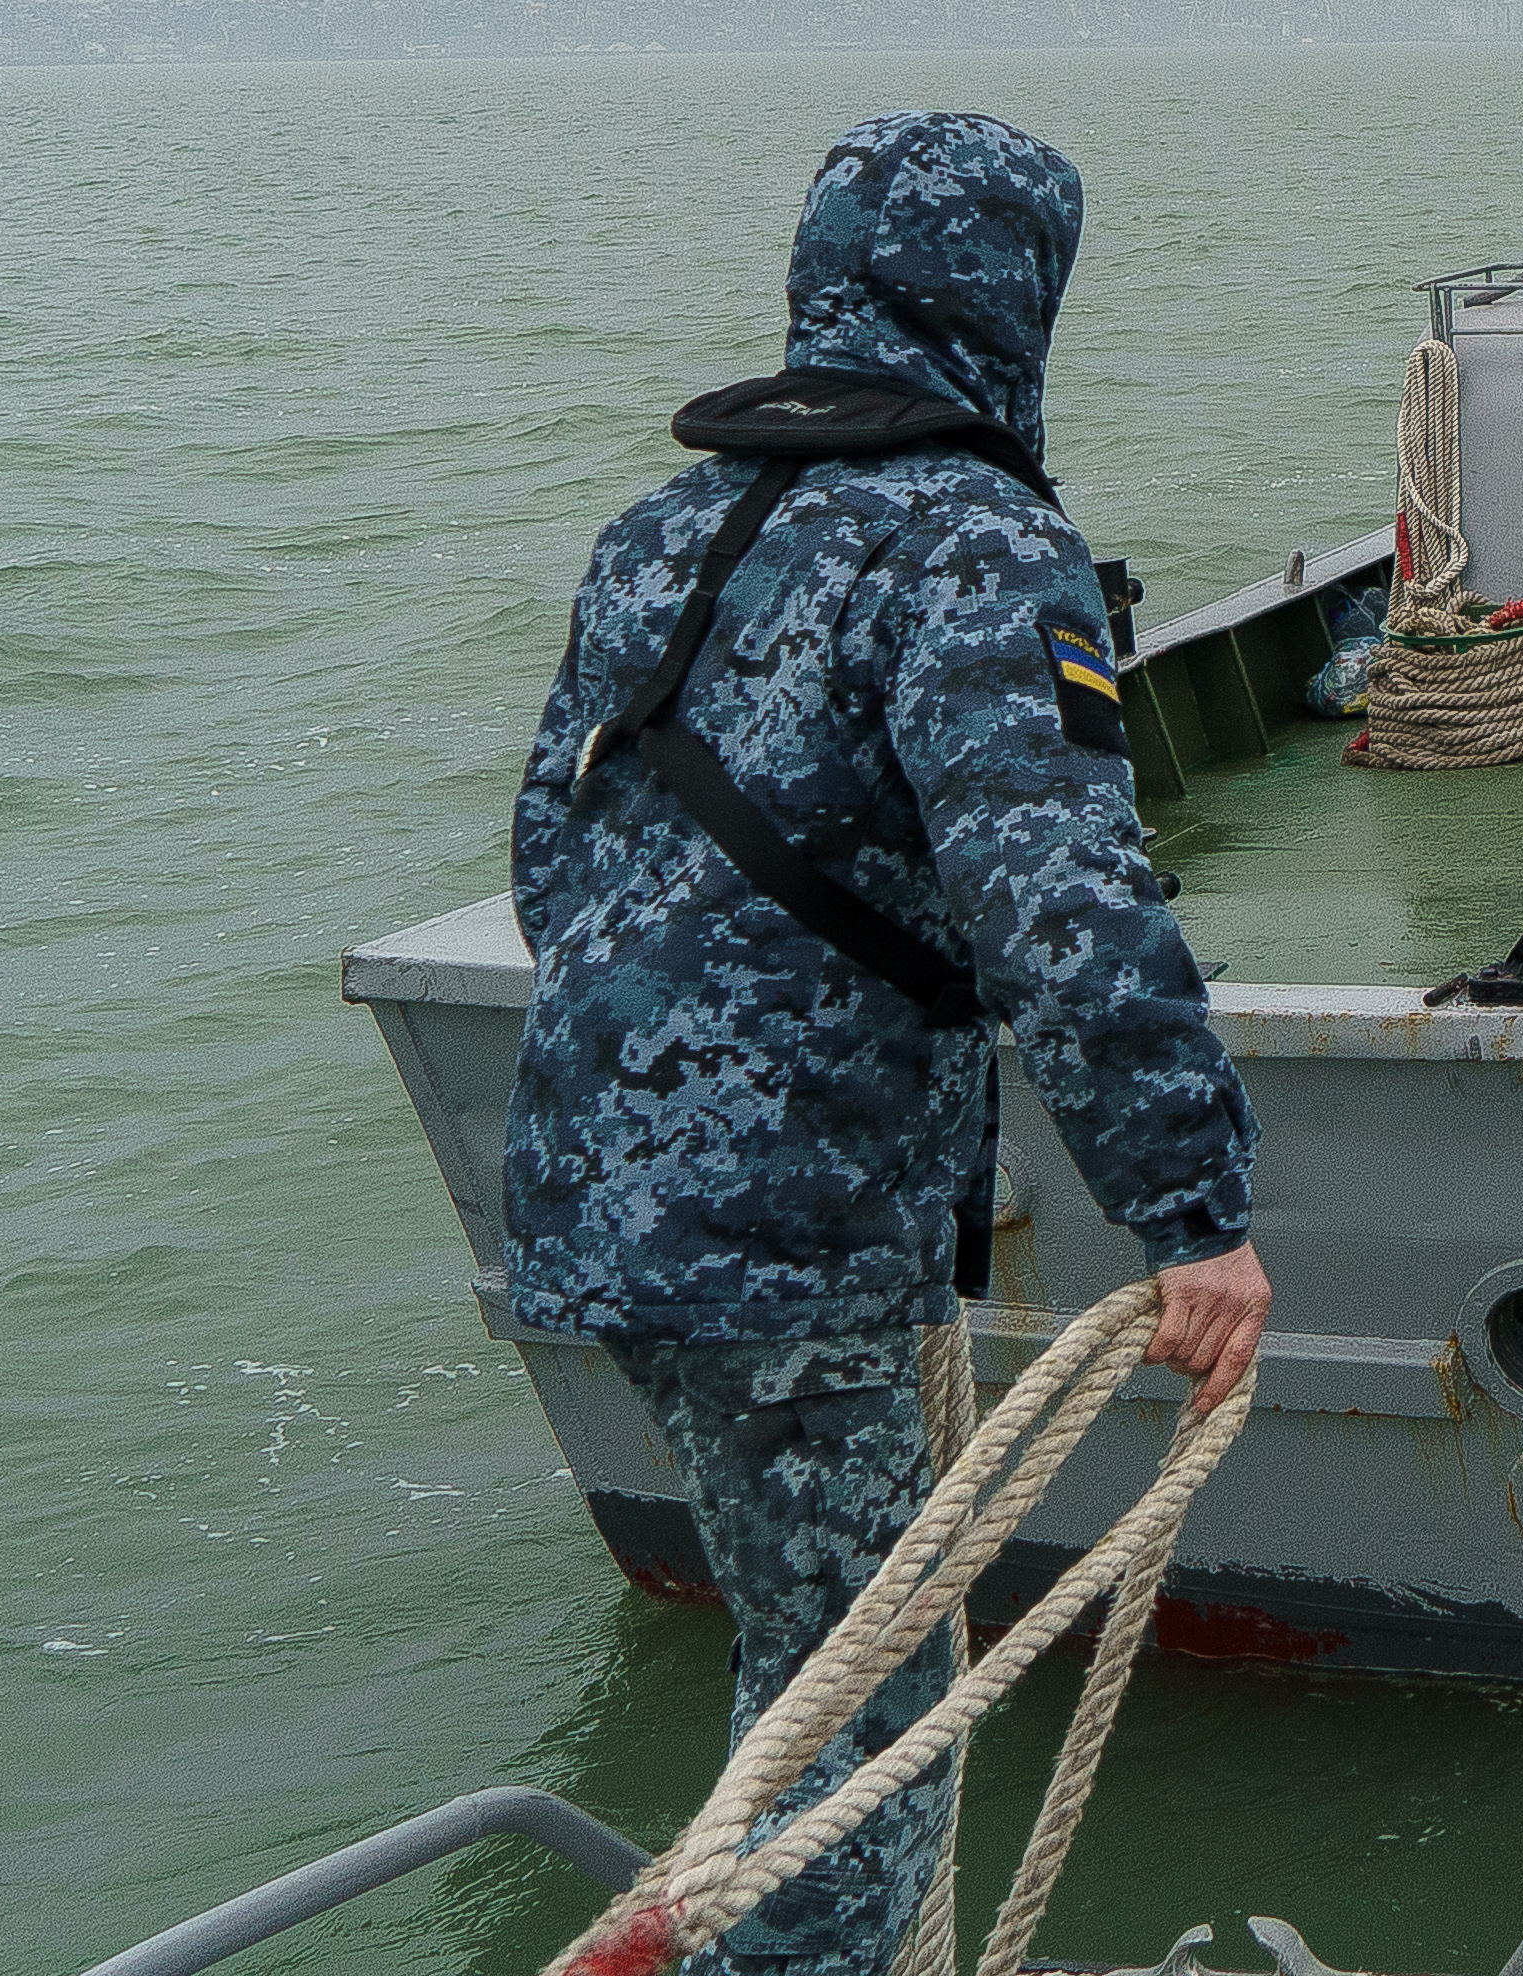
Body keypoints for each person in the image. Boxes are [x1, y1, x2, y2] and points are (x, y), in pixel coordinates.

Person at [502, 111, 1269, 1976]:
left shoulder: (659, 531)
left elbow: (549, 854)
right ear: (1019, 300)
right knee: (863, 1725)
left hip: (591, 1203)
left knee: (805, 1661)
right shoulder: (980, 544)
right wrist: (1196, 1218)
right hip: (795, 1237)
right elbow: (1061, 906)